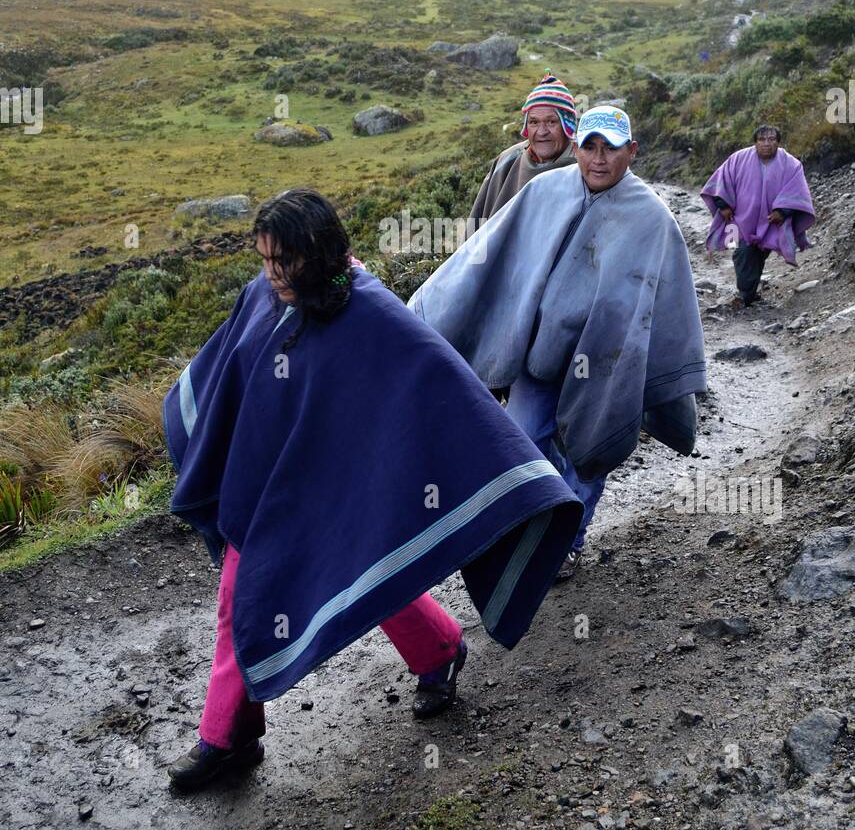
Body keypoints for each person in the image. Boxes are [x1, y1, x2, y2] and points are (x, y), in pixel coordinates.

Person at [162, 188, 581, 790]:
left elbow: (439, 383)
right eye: (264, 259)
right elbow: (232, 367)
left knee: (324, 579)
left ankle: (226, 736)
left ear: (321, 252)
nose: (273, 274)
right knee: (310, 582)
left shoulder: (372, 312)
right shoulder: (266, 292)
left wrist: (519, 472)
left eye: (285, 261)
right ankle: (429, 653)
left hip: (346, 483)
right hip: (271, 484)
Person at [409, 105, 707, 580]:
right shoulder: (544, 192)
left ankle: (568, 542)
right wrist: (428, 310)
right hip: (539, 362)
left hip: (604, 368)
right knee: (520, 443)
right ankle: (523, 532)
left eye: (611, 148)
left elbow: (667, 307)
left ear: (631, 151)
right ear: (576, 148)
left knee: (585, 456)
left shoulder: (653, 219)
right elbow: (487, 257)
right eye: (589, 146)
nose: (599, 158)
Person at [701, 126, 815, 308]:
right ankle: (746, 294)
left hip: (771, 223)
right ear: (755, 142)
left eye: (771, 140)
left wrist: (782, 212)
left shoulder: (791, 164)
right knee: (742, 252)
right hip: (741, 220)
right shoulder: (738, 159)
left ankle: (747, 293)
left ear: (778, 142)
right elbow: (721, 181)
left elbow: (797, 190)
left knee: (758, 254)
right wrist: (724, 205)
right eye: (762, 140)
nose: (767, 144)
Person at [467, 71, 577, 231]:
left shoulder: (585, 165)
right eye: (533, 122)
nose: (541, 131)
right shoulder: (508, 161)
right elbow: (476, 229)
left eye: (551, 122)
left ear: (568, 126)